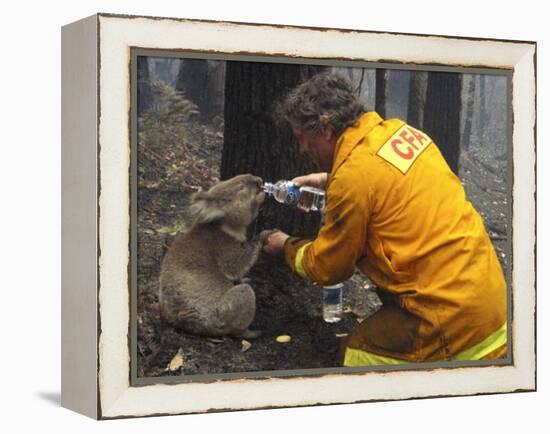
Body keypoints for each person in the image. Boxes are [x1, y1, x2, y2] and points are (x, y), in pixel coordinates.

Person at [263, 73, 507, 366]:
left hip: (447, 322)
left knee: (355, 356)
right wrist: (330, 180)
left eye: (302, 138)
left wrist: (285, 245)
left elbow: (329, 267)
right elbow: (384, 182)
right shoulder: (401, 133)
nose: (302, 149)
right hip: (491, 304)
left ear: (326, 128)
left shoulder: (354, 178)